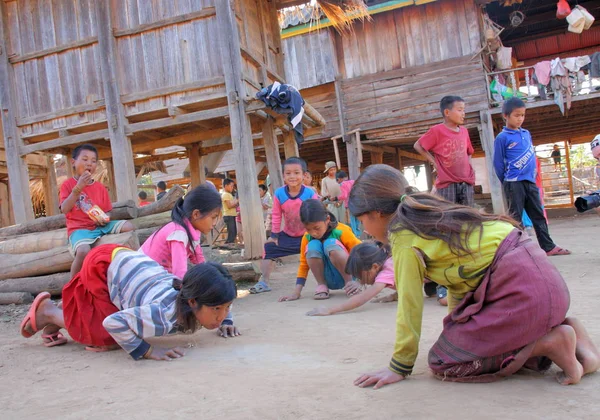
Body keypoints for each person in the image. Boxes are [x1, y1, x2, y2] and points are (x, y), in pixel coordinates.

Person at [347, 164, 599, 389]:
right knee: (463, 342)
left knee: (444, 360)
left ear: (376, 213)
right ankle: (571, 331)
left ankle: (551, 342)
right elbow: (459, 284)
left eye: (361, 221)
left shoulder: (402, 236)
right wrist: (456, 327)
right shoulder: (436, 214)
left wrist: (399, 366)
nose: (363, 230)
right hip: (549, 290)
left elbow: (410, 305)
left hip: (523, 295)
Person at [19, 245, 240, 357]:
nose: (221, 316)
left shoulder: (198, 295)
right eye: (217, 310)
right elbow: (113, 323)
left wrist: (227, 321)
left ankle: (55, 316)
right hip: (105, 265)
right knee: (103, 336)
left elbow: (220, 300)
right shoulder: (162, 314)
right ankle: (47, 312)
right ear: (192, 302)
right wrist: (147, 350)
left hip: (128, 263)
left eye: (226, 308)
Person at [493, 97, 570, 256]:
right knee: (516, 219)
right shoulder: (502, 137)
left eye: (522, 115)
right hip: (514, 183)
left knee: (538, 215)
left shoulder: (526, 134)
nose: (520, 119)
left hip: (530, 182)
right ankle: (519, 250)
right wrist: (507, 182)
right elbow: (498, 164)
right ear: (505, 116)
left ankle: (548, 247)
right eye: (516, 115)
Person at [59, 144, 134, 281]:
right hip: (79, 228)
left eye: (93, 161)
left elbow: (108, 211)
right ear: (73, 162)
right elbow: (64, 209)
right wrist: (79, 187)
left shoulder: (100, 187)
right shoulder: (68, 185)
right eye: (85, 159)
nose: (89, 164)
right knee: (83, 251)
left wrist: (105, 218)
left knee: (128, 226)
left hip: (100, 226)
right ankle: (73, 283)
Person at [250, 157, 318, 294]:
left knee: (323, 249)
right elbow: (276, 215)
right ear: (283, 176)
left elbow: (316, 214)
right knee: (269, 247)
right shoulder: (279, 193)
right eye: (288, 173)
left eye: (296, 173)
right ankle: (264, 282)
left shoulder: (310, 193)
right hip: (288, 235)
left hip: (308, 235)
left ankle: (323, 283)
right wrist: (274, 236)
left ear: (304, 175)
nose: (292, 176)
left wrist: (317, 234)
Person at [279, 199, 361, 301]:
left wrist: (359, 281)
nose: (313, 233)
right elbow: (304, 265)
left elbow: (361, 252)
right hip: (328, 279)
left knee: (330, 243)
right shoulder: (306, 237)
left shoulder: (342, 230)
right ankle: (322, 286)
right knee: (313, 245)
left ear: (327, 219)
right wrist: (296, 292)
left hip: (349, 276)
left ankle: (349, 285)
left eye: (317, 228)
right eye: (308, 229)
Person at [141, 185, 221, 280]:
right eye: (213, 217)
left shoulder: (192, 231)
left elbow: (199, 261)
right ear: (196, 214)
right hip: (142, 276)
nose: (215, 223)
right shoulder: (178, 233)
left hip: (154, 276)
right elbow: (180, 275)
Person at [414, 96, 476, 207]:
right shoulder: (437, 131)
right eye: (460, 110)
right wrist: (434, 162)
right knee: (448, 215)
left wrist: (470, 170)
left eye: (464, 110)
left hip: (466, 182)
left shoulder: (464, 131)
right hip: (447, 183)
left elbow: (469, 152)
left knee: (468, 214)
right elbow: (418, 145)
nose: (463, 113)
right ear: (447, 112)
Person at [306, 241, 397, 316]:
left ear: (375, 267)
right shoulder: (388, 263)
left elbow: (363, 297)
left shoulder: (387, 270)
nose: (361, 281)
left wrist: (330, 310)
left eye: (361, 276)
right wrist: (394, 296)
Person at [335, 171, 362, 238]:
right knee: (357, 219)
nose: (337, 182)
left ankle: (354, 235)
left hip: (350, 204)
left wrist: (336, 198)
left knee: (352, 220)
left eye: (337, 180)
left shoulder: (342, 184)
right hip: (358, 203)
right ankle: (358, 234)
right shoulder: (353, 181)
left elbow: (344, 196)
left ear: (339, 179)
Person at [221, 178, 238, 245]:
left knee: (234, 232)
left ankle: (230, 244)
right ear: (226, 186)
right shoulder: (225, 194)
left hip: (231, 215)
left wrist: (234, 203)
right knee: (232, 232)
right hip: (228, 215)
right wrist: (237, 201)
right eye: (231, 186)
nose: (232, 187)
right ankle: (228, 244)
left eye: (233, 186)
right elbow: (229, 206)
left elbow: (233, 205)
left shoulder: (229, 194)